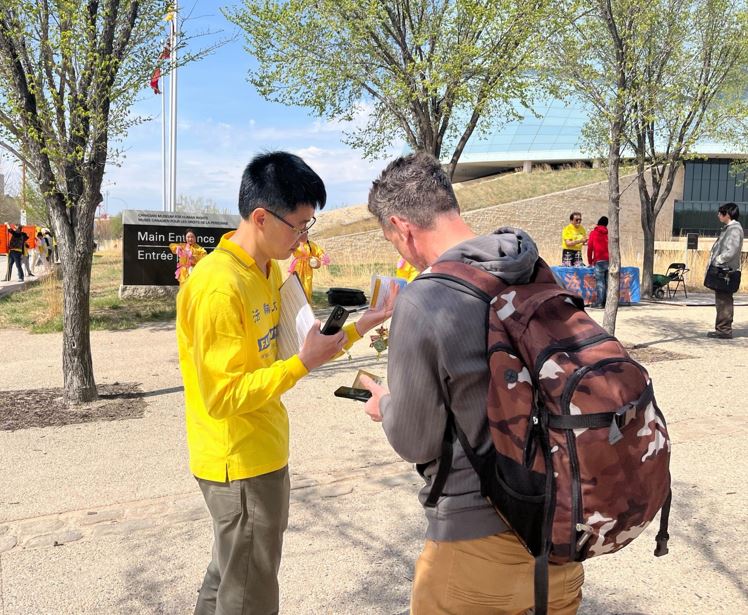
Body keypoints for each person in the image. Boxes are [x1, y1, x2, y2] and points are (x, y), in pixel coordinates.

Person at [359, 152, 584, 614]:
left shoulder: (426, 299)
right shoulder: (534, 269)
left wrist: (385, 405)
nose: (399, 251)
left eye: (391, 239)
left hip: (474, 546)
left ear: (402, 227)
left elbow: (417, 442)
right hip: (560, 536)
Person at [176, 151, 395, 615]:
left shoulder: (269, 270)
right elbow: (222, 397)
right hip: (238, 462)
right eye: (298, 226)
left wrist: (364, 323)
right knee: (248, 595)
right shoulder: (218, 286)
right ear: (260, 217)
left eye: (307, 226)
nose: (302, 239)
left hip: (262, 450)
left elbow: (302, 344)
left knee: (229, 576)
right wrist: (300, 365)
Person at [707, 202, 744, 339]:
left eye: (720, 212)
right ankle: (721, 329)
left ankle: (724, 330)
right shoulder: (729, 228)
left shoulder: (734, 229)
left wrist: (718, 260)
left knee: (724, 301)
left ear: (727, 214)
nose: (718, 215)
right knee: (721, 300)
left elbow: (731, 251)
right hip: (724, 270)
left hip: (726, 271)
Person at [587, 216, 609, 308]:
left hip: (599, 261)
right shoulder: (609, 234)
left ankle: (600, 303)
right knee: (608, 282)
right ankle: (608, 303)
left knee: (600, 282)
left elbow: (590, 248)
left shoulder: (593, 233)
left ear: (598, 223)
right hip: (610, 261)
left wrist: (590, 261)